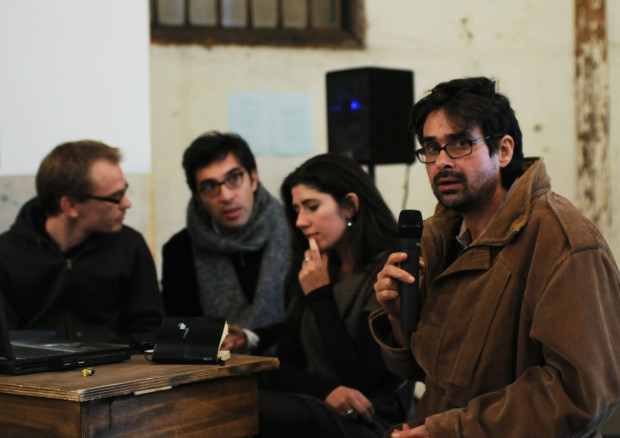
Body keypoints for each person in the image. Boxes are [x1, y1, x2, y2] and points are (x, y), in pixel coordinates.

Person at [371, 77, 620, 437]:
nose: (441, 162)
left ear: (504, 150)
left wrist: (452, 431)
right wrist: (399, 316)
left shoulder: (564, 242)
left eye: (460, 144)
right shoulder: (440, 237)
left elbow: (584, 394)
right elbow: (433, 372)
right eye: (431, 149)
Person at [258, 154, 410, 438]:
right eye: (296, 210)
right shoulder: (312, 267)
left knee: (255, 410)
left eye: (312, 207)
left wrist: (320, 295)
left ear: (350, 206)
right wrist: (325, 391)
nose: (301, 221)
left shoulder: (387, 269)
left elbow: (361, 377)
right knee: (236, 403)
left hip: (371, 419)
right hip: (315, 403)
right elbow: (283, 366)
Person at [0, 140, 163, 344]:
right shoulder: (7, 254)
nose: (126, 204)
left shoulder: (130, 245)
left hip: (118, 371)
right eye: (116, 197)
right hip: (35, 373)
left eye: (125, 191)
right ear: (70, 206)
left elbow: (149, 329)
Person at [161, 131, 290, 355]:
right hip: (216, 375)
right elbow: (178, 331)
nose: (226, 195)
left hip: (293, 367)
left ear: (253, 178)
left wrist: (250, 339)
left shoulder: (296, 231)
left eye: (234, 178)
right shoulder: (179, 249)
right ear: (198, 197)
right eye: (210, 186)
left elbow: (309, 321)